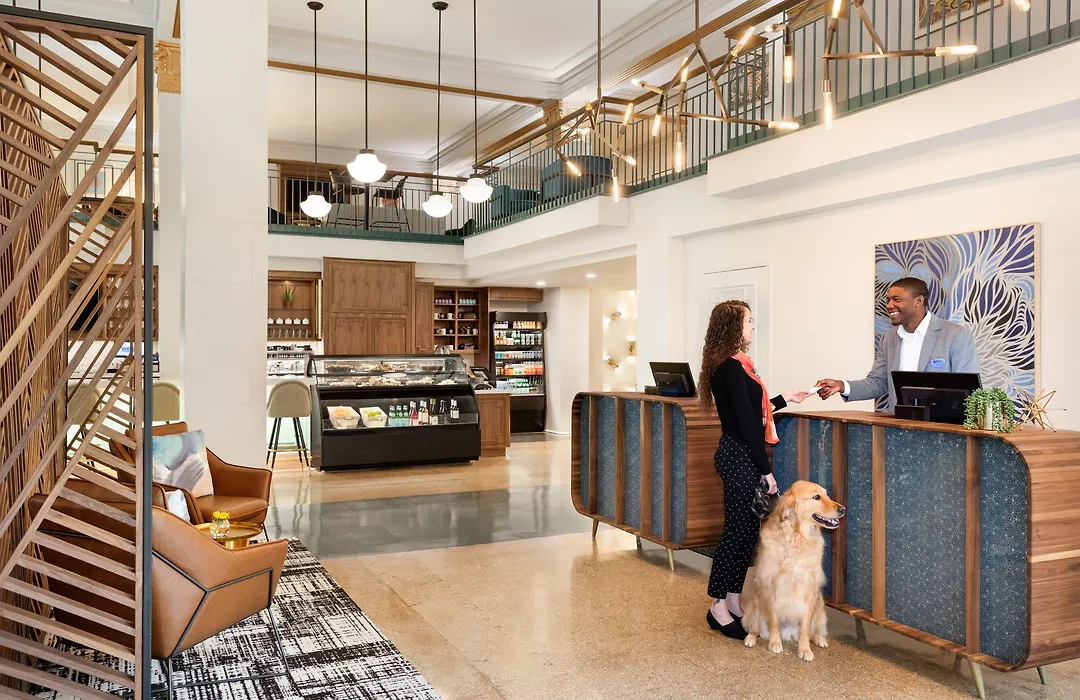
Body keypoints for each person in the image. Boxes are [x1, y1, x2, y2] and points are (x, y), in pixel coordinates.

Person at [698, 300, 810, 640]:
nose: (753, 327)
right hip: (738, 456)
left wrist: (785, 398)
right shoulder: (730, 368)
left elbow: (752, 411)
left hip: (741, 454)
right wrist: (766, 471)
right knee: (735, 533)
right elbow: (748, 425)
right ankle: (718, 605)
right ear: (734, 327)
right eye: (749, 321)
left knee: (747, 532)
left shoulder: (736, 366)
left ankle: (733, 598)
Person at [816, 277, 980, 412]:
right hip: (898, 431)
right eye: (888, 300)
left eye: (897, 299)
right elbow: (878, 383)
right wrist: (841, 386)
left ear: (918, 301)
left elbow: (968, 390)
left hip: (943, 431)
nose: (889, 305)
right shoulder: (889, 338)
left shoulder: (955, 335)